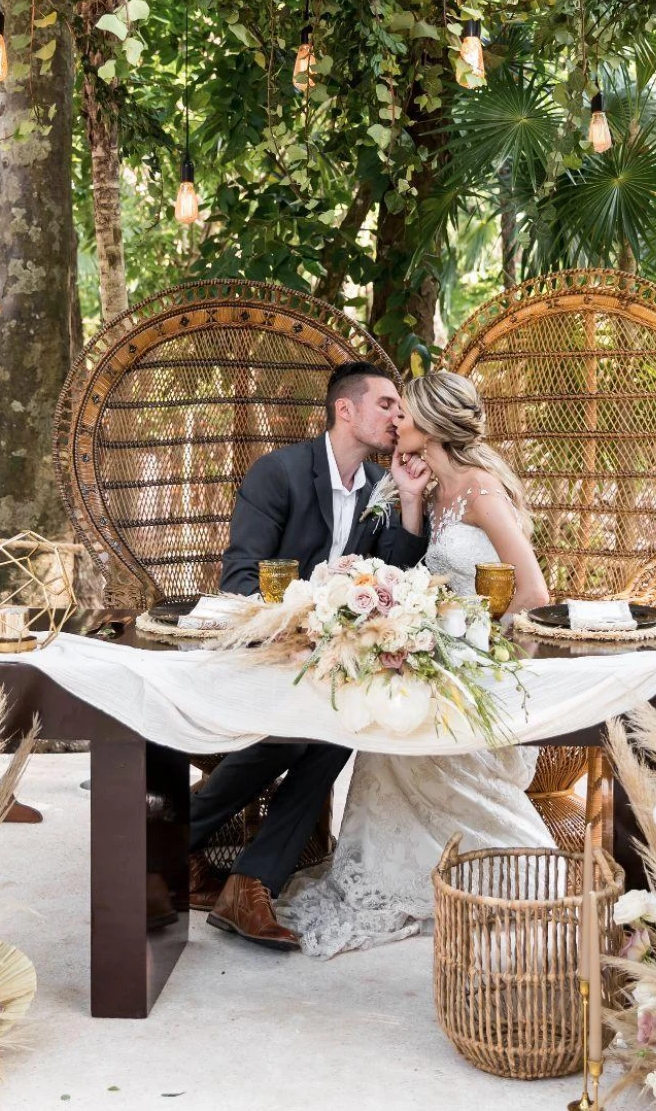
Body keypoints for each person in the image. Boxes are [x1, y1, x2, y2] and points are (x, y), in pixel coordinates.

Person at [275, 369, 555, 958]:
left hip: (476, 662)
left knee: (405, 722)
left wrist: (485, 655)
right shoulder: (429, 489)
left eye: (404, 413)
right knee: (384, 722)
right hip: (435, 650)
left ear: (428, 424)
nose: (395, 420)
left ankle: (513, 873)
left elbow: (532, 593)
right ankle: (404, 875)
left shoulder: (479, 490)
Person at [190, 361, 432, 950]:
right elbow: (241, 578)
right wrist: (323, 586)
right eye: (386, 405)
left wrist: (411, 499)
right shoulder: (279, 473)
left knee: (341, 723)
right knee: (316, 730)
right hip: (265, 652)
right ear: (344, 410)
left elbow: (396, 576)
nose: (398, 417)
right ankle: (209, 861)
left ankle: (238, 877)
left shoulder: (381, 485)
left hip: (329, 660)